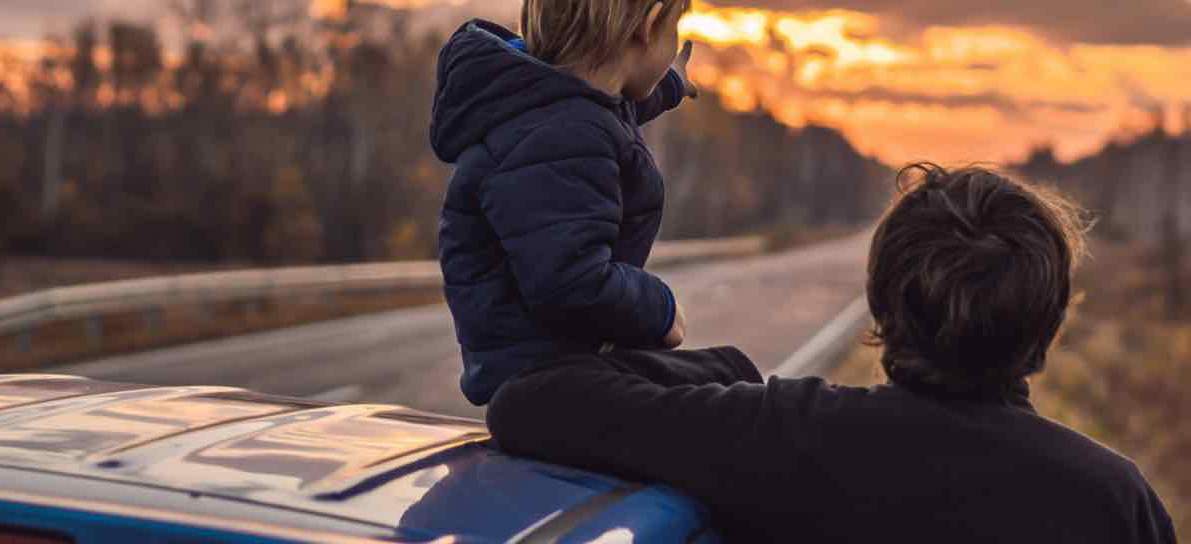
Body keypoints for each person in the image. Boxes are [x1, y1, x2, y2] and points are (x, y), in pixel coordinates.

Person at [487, 163, 1178, 543]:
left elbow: (530, 401)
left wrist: (727, 373)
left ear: (881, 302)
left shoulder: (790, 434)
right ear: (1049, 322)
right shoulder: (1113, 501)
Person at [428, 0, 710, 406]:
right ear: (649, 26)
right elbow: (573, 282)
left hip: (560, 367)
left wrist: (672, 84)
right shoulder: (563, 133)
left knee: (725, 374)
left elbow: (621, 112)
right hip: (543, 387)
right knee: (730, 402)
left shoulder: (560, 111)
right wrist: (660, 308)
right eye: (674, 30)